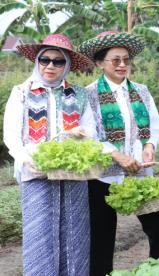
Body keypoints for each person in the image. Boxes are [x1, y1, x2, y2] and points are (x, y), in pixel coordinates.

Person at [78, 31, 159, 275]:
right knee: (100, 237)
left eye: (126, 60)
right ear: (100, 63)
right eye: (115, 60)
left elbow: (154, 125)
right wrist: (116, 155)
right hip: (103, 175)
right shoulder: (88, 94)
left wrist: (149, 146)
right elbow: (88, 135)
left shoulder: (141, 90)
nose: (122, 65)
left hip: (140, 172)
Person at [3, 34, 95, 275]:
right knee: (39, 235)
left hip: (73, 174)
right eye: (45, 60)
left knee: (75, 235)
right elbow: (11, 135)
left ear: (67, 65)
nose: (50, 66)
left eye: (58, 61)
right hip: (35, 174)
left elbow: (91, 132)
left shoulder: (80, 94)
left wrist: (80, 136)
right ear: (37, 61)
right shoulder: (22, 92)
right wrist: (25, 160)